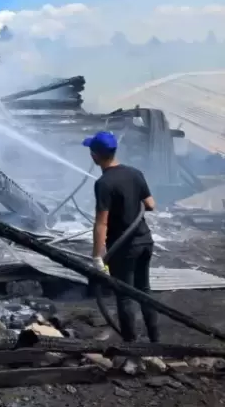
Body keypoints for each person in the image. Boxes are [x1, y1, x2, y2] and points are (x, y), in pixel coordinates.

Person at [85, 131, 159, 348]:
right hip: (145, 241)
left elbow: (101, 223)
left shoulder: (104, 183)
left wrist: (97, 257)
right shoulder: (135, 173)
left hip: (124, 247)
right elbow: (151, 204)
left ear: (95, 155)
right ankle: (156, 340)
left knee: (125, 295)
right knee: (144, 290)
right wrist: (131, 201)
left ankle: (131, 345)